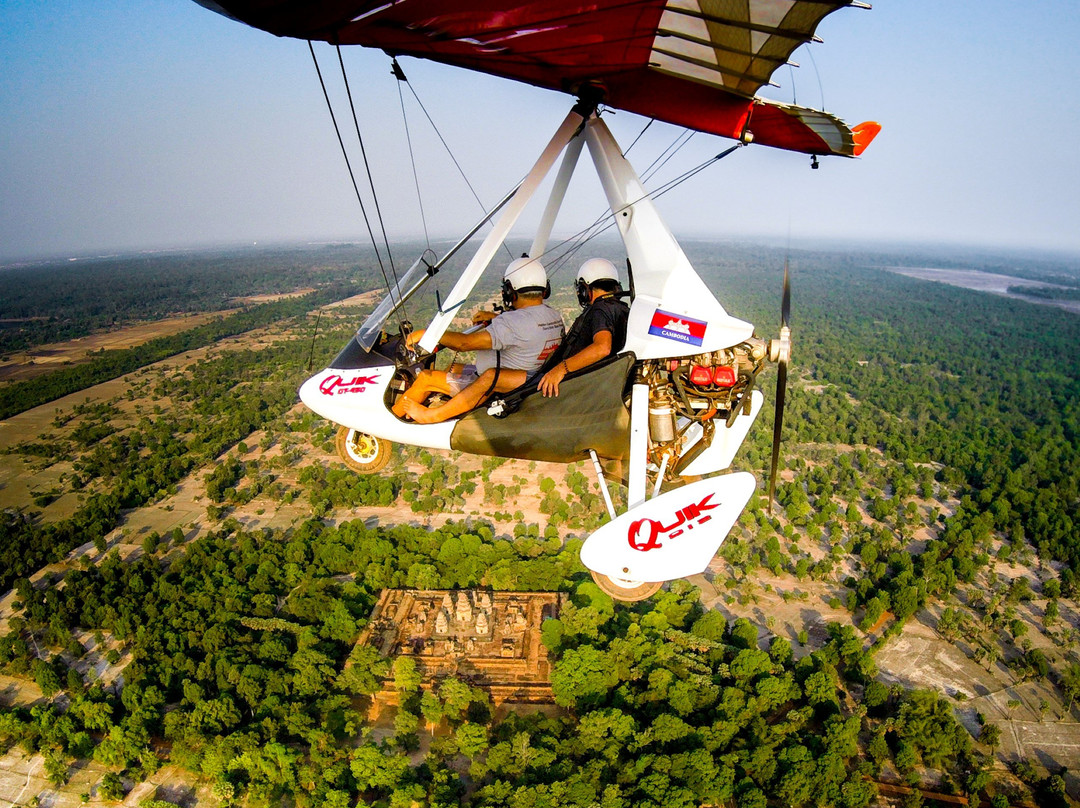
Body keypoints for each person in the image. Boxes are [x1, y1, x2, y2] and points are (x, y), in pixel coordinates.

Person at [393, 257, 564, 424]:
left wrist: (427, 334)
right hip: (529, 377)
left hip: (498, 386)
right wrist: (495, 318)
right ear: (544, 289)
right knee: (455, 368)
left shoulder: (512, 323)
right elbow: (525, 329)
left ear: (511, 290)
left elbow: (464, 343)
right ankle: (450, 403)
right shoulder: (552, 315)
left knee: (425, 377)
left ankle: (397, 419)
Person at [538, 258, 629, 397]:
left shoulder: (600, 310)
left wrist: (561, 369)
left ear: (584, 289)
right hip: (600, 386)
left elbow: (602, 348)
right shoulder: (621, 308)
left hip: (577, 388)